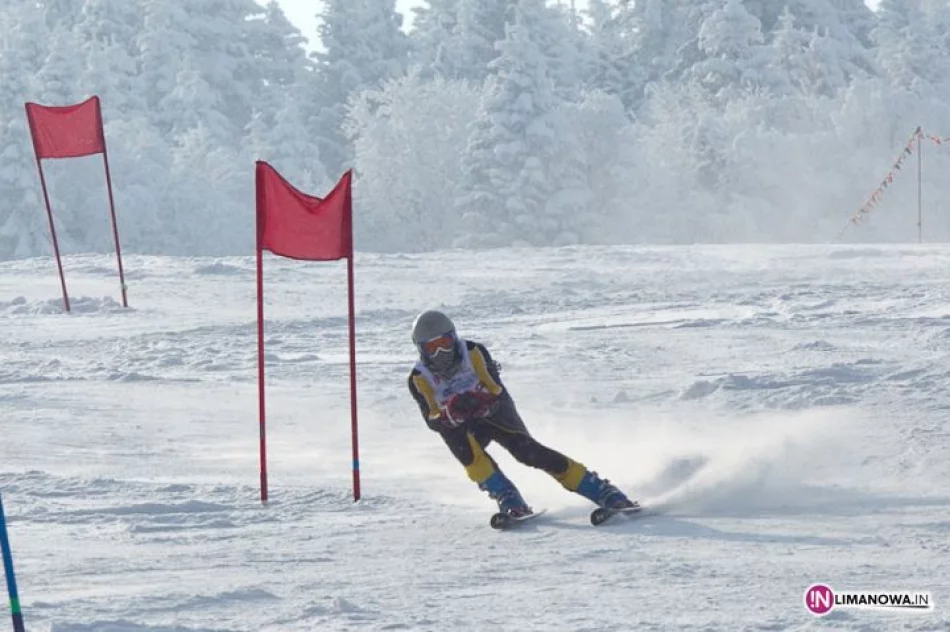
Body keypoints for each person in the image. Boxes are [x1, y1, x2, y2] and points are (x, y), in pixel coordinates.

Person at [407, 309, 639, 518]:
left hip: (494, 410)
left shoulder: (473, 352)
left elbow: (494, 387)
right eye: (432, 347)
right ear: (421, 349)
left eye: (446, 342)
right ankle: (508, 498)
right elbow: (432, 418)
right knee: (468, 454)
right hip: (460, 424)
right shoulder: (419, 378)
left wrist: (483, 401)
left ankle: (603, 491)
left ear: (454, 337)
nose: (442, 352)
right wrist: (450, 413)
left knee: (526, 451)